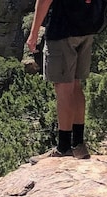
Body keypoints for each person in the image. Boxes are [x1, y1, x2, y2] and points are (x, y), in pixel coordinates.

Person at [27, 0, 95, 160]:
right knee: (76, 85)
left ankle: (64, 147)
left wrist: (34, 32)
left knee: (64, 88)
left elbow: (44, 1)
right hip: (86, 28)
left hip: (63, 31)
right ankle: (78, 144)